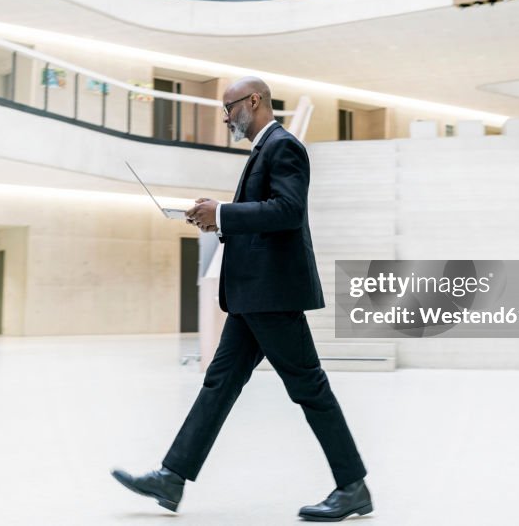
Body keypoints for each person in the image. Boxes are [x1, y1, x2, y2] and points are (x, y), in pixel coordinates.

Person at [111, 77, 372, 522]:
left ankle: (352, 487)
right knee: (219, 384)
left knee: (309, 388)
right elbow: (263, 217)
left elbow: (288, 211)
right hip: (254, 297)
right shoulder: (263, 150)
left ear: (255, 100)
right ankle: (171, 478)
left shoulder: (284, 146)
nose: (227, 116)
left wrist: (225, 213)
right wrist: (220, 220)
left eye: (229, 107)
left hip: (271, 295)